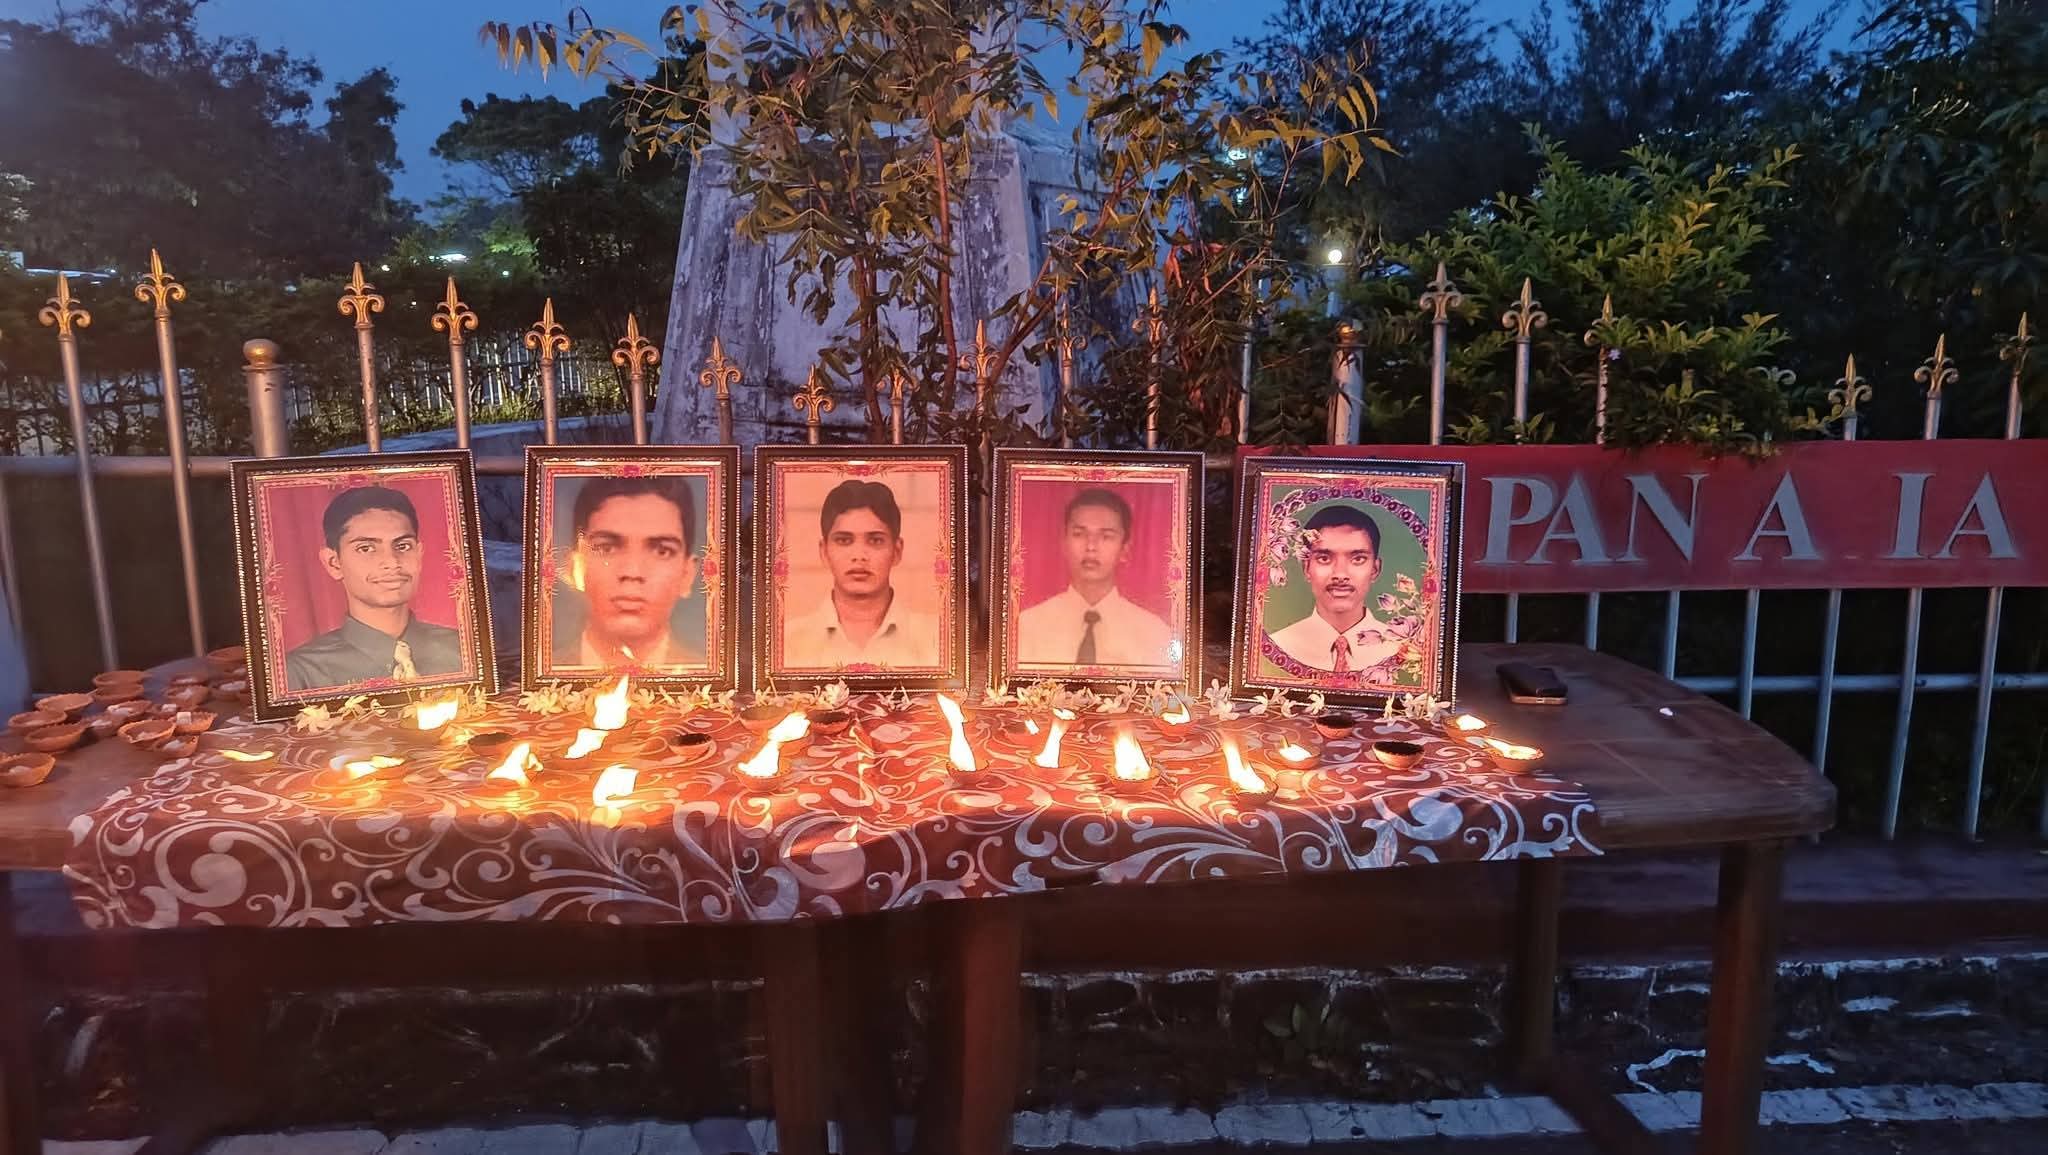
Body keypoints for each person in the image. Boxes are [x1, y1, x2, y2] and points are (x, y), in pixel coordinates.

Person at [285, 486, 463, 691]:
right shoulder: (301, 672)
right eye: (366, 548)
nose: (392, 562)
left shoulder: (464, 650)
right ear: (334, 563)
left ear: (419, 554)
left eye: (403, 546)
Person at [783, 477, 940, 668]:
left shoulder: (937, 638)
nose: (859, 556)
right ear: (824, 552)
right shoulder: (787, 642)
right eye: (844, 540)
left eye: (875, 540)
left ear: (897, 551)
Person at [1015, 487, 1176, 670]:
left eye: (1106, 536)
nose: (1091, 546)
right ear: (1064, 543)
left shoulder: (1155, 635)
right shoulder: (1027, 627)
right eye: (1079, 534)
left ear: (1124, 550)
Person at [554, 475, 704, 670]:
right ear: (574, 567)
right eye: (606, 548)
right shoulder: (533, 676)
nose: (632, 572)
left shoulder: (720, 681)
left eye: (662, 551)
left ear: (687, 575)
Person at [1265, 503, 1403, 673]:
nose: (1340, 574)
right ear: (1306, 568)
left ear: (1375, 569)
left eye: (1358, 559)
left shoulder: (1402, 652)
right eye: (1324, 558)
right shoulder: (1277, 648)